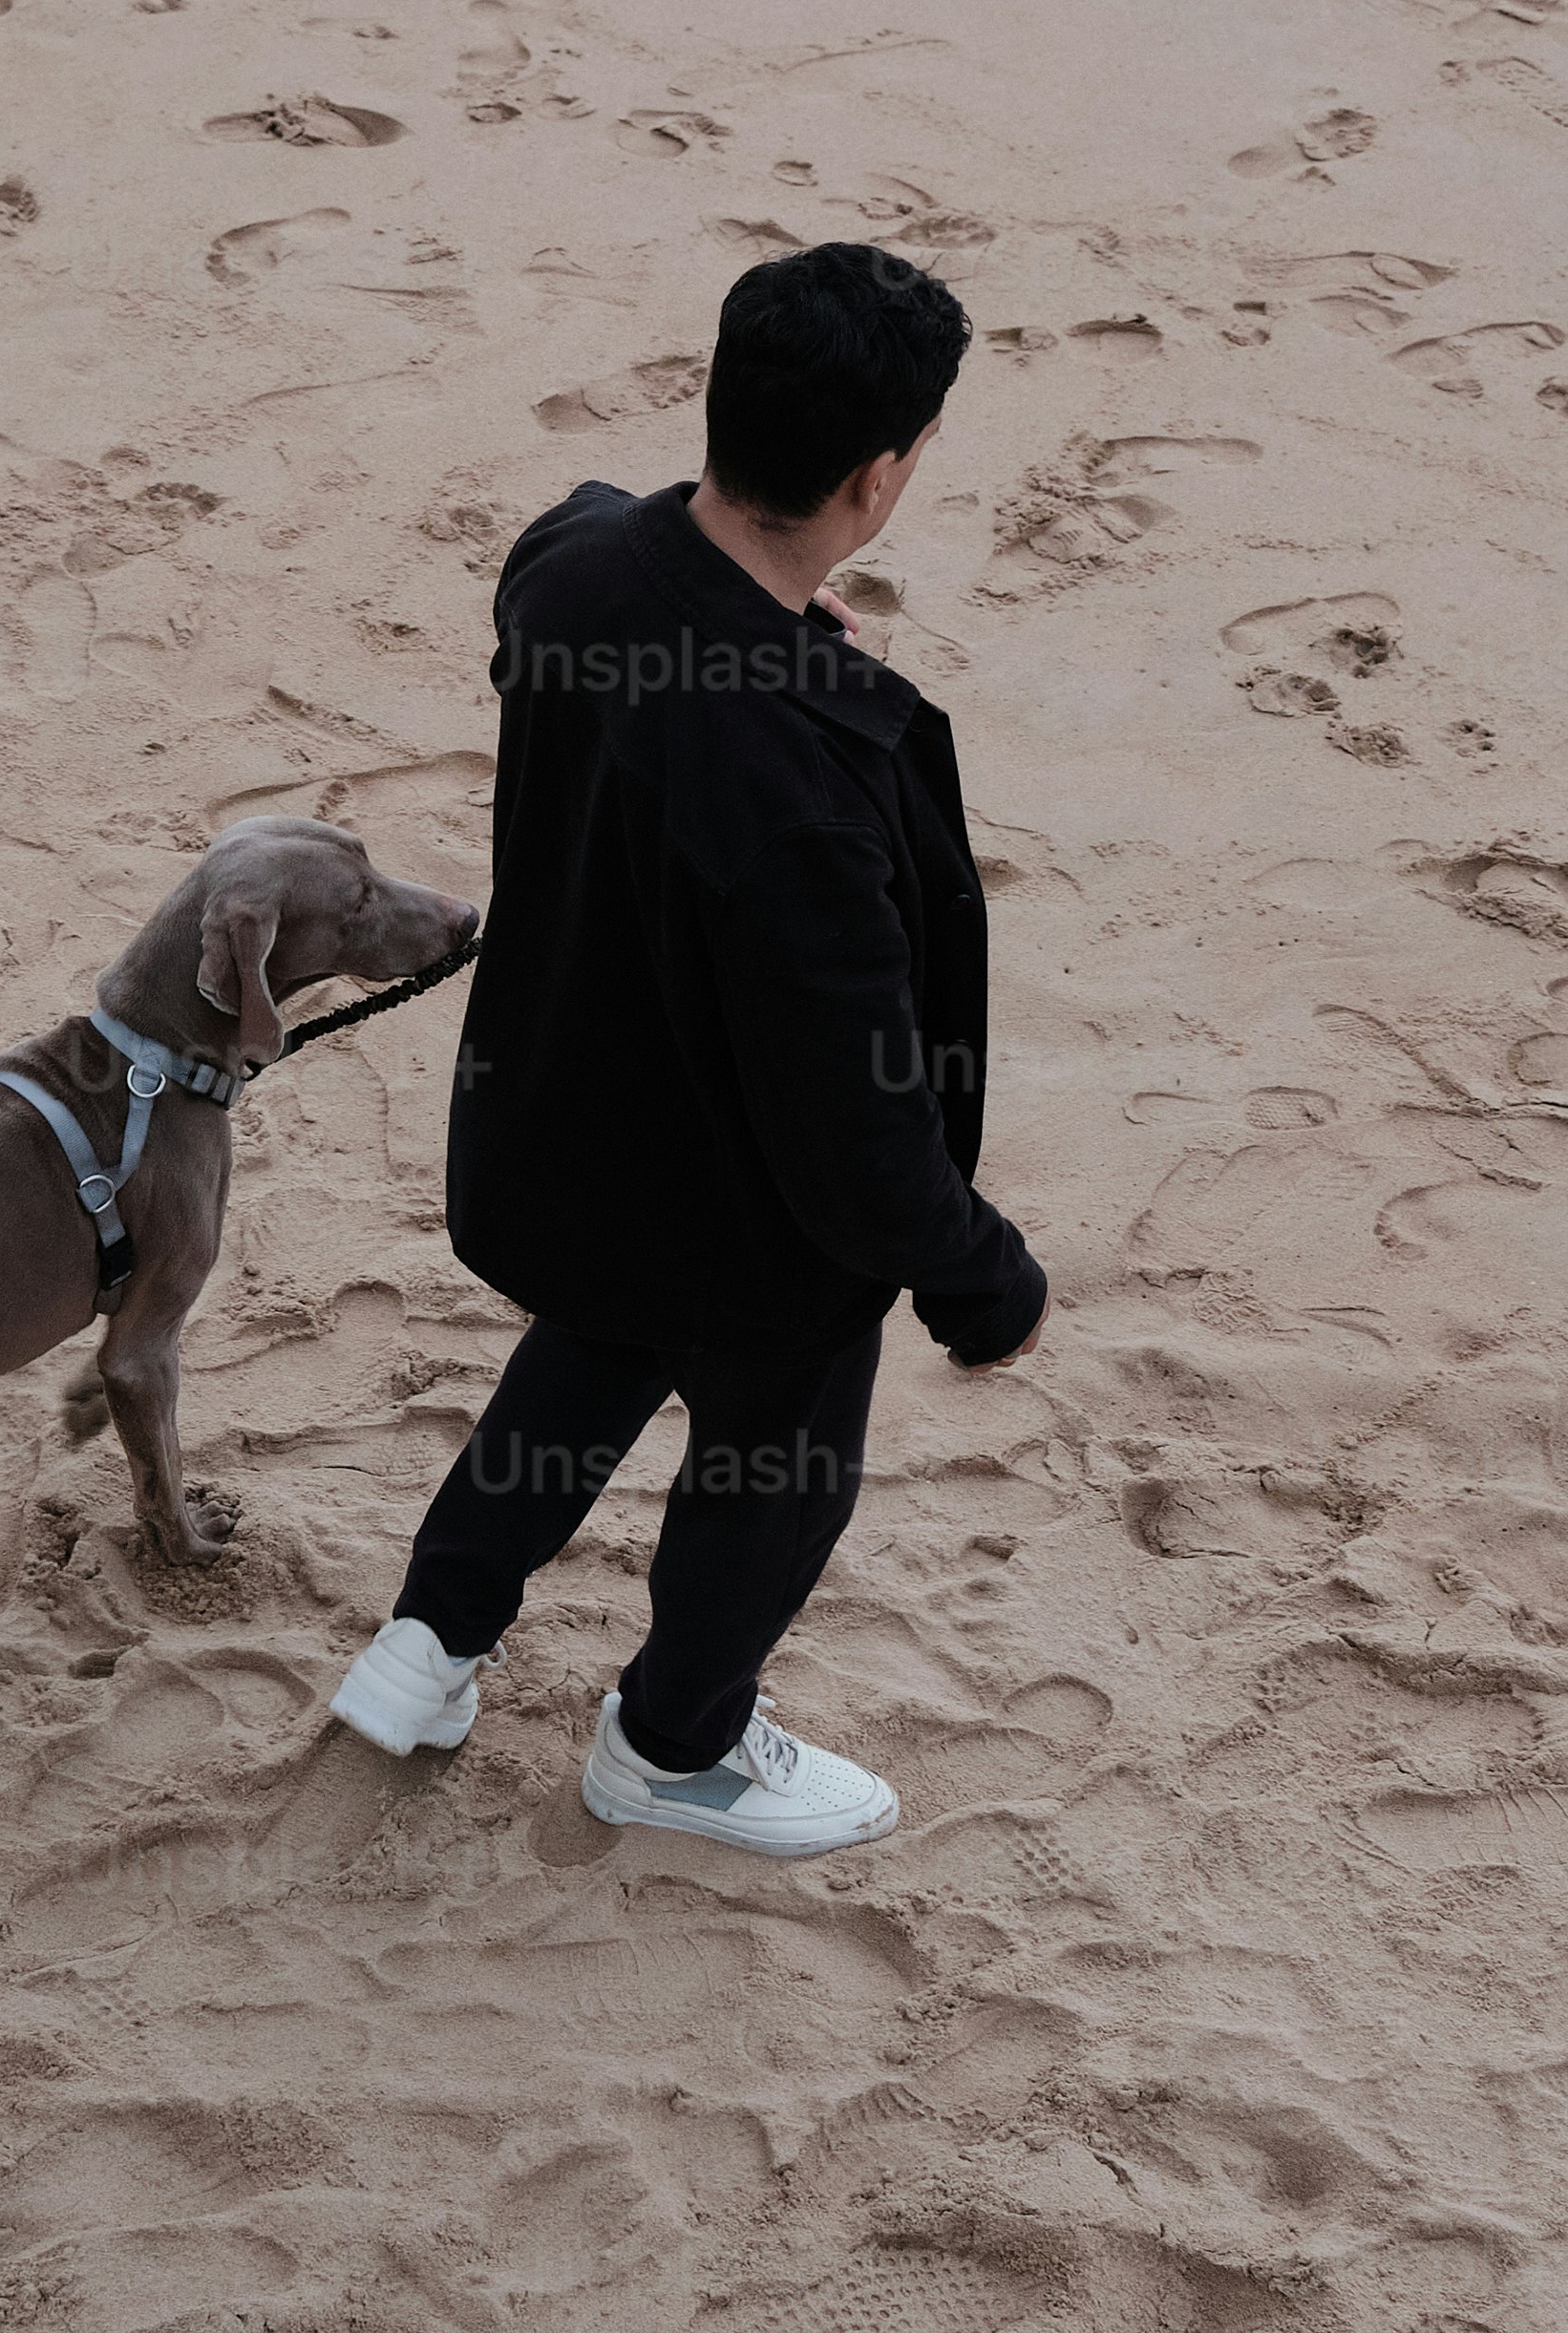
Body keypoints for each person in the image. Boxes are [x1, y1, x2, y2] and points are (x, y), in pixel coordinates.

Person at [328, 243, 1044, 1856]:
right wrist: (977, 1275)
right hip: (749, 1210)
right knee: (772, 1471)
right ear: (876, 476)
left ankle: (429, 1643)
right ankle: (673, 1747)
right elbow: (849, 1112)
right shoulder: (799, 786)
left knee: (583, 1358)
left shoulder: (573, 575)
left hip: (574, 1125)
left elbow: (597, 525)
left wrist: (765, 617)